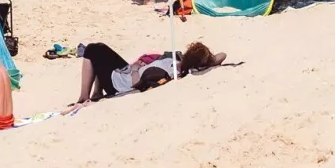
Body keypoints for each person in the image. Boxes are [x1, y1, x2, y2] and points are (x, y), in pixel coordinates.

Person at [72, 41, 226, 105]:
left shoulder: (162, 71)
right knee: (100, 47)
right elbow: (222, 55)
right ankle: (97, 92)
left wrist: (136, 69)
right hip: (128, 71)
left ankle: (83, 97)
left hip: (118, 83)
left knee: (93, 50)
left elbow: (136, 84)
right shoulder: (176, 61)